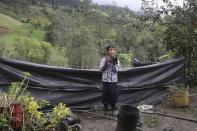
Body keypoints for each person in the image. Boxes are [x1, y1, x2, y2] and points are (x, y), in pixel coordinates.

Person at [99, 44, 120, 115]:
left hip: (114, 81)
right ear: (107, 51)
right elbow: (101, 70)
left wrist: (114, 63)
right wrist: (106, 63)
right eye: (110, 50)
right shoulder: (103, 59)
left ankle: (114, 109)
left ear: (115, 51)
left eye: (113, 50)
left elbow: (116, 70)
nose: (112, 51)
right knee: (105, 95)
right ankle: (105, 109)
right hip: (105, 81)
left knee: (114, 95)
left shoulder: (117, 60)